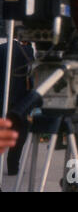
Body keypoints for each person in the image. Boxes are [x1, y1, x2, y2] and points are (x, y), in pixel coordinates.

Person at [0, 40, 34, 175]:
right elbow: (30, 76)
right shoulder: (27, 51)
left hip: (2, 98)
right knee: (20, 134)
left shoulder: (1, 48)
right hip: (20, 101)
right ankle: (13, 167)